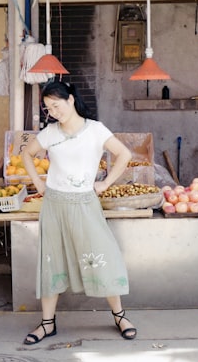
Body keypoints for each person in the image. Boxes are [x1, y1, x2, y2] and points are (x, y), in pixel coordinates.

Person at [20, 79, 137, 344]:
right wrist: (39, 182)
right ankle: (47, 323)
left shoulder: (95, 130)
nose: (54, 112)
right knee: (52, 262)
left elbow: (124, 155)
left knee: (102, 255)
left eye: (57, 105)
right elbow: (27, 154)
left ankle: (120, 316)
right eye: (49, 108)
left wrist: (105, 183)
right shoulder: (50, 133)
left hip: (85, 204)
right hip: (54, 205)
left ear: (71, 99)